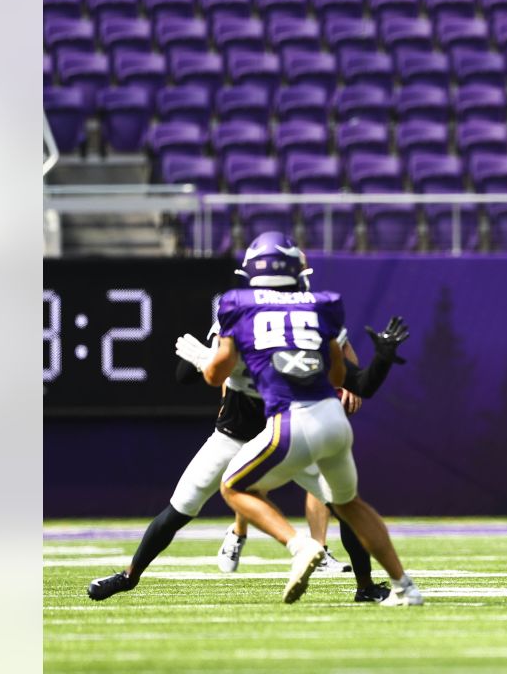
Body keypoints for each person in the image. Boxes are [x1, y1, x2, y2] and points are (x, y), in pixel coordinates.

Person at [87, 246, 410, 603]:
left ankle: (361, 584)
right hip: (243, 432)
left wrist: (210, 362)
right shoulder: (256, 315)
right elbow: (188, 374)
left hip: (288, 427)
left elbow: (348, 373)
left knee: (340, 504)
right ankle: (132, 575)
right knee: (180, 507)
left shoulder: (306, 316)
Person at [205, 232, 421, 605]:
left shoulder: (239, 308)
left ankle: (300, 545)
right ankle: (405, 587)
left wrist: (208, 362)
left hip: (291, 421)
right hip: (333, 421)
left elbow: (214, 376)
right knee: (350, 504)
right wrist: (382, 357)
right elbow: (346, 381)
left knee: (234, 487)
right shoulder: (321, 308)